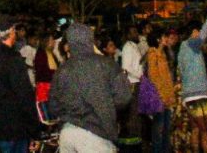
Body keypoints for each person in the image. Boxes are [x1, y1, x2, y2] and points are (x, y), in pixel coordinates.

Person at [48, 22, 131, 153]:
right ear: (90, 39)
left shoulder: (62, 69)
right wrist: (107, 107)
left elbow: (53, 106)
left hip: (68, 133)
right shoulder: (107, 64)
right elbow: (124, 97)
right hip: (96, 132)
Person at [0, 17, 40, 153]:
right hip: (14, 127)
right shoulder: (13, 59)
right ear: (11, 32)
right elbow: (24, 95)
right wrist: (34, 130)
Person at [177, 11, 207, 153]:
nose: (200, 35)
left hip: (189, 96)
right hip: (199, 95)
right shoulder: (191, 44)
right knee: (206, 132)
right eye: (198, 31)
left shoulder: (182, 49)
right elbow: (201, 38)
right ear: (194, 32)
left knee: (195, 130)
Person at [145, 29, 176, 153]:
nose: (167, 38)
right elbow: (153, 77)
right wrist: (161, 95)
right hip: (159, 97)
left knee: (166, 128)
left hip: (167, 96)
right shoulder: (153, 54)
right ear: (158, 39)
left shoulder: (163, 54)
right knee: (159, 129)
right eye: (164, 36)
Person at [118, 24, 144, 152]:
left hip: (136, 82)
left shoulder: (134, 47)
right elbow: (126, 67)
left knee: (135, 115)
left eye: (136, 31)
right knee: (132, 115)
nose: (136, 34)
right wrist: (140, 75)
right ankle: (130, 145)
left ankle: (135, 142)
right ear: (128, 35)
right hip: (132, 83)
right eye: (133, 32)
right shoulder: (128, 47)